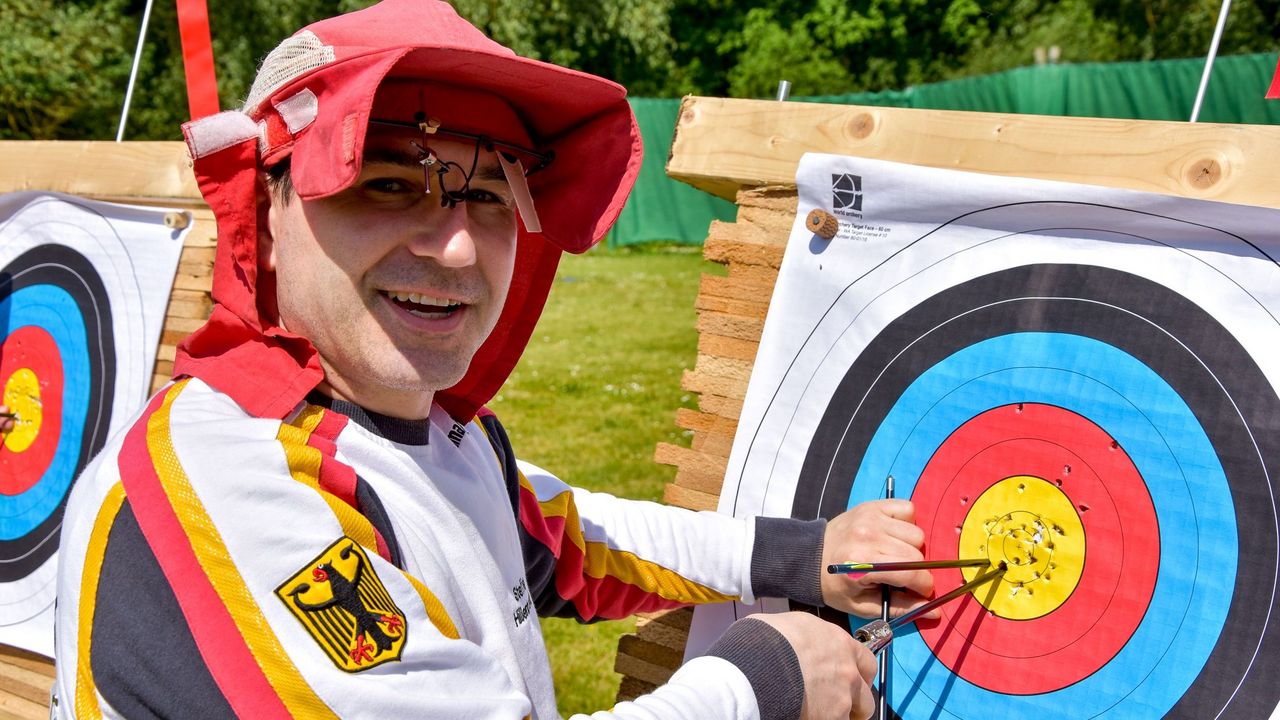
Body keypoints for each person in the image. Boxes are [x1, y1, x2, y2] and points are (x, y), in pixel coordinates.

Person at [50, 2, 936, 718]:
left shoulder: (429, 441)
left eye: (489, 194)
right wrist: (766, 677)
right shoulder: (218, 486)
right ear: (265, 213)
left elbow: (576, 538)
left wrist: (809, 551)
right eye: (388, 184)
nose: (461, 250)